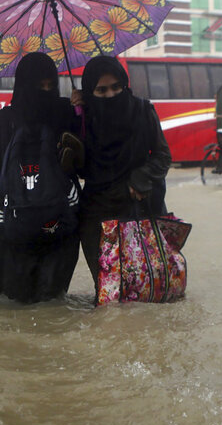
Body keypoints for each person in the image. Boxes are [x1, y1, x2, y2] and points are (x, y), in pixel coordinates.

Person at [0, 52, 82, 304]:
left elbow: (83, 161)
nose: (45, 92)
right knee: (26, 303)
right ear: (25, 85)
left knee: (47, 303)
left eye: (50, 85)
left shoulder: (68, 112)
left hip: (59, 227)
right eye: (39, 86)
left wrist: (82, 111)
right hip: (21, 229)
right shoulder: (7, 119)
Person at [72, 55, 172, 291]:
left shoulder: (143, 110)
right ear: (90, 92)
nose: (110, 95)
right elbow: (79, 168)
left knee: (147, 291)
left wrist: (138, 180)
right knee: (109, 298)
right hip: (97, 218)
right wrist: (75, 117)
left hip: (138, 210)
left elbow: (163, 157)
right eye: (101, 90)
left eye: (117, 87)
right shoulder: (85, 118)